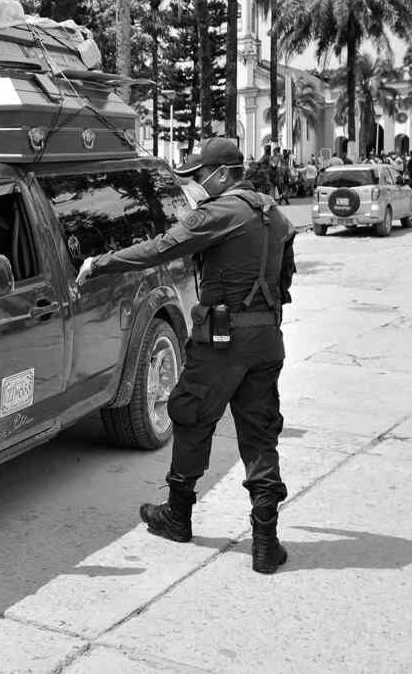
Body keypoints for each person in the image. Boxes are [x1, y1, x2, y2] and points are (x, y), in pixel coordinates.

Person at [76, 137, 298, 574]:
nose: (194, 184)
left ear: (223, 174)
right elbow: (285, 276)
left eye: (198, 176)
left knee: (192, 416)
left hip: (223, 340)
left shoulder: (218, 213)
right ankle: (265, 543)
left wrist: (99, 263)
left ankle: (177, 517)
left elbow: (161, 247)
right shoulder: (275, 212)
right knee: (259, 431)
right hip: (267, 339)